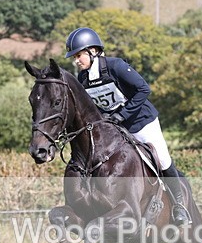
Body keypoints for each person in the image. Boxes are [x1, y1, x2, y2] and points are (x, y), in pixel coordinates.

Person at [64, 27, 191, 226]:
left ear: (93, 51)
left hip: (141, 121)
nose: (76, 60)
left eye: (79, 55)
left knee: (163, 160)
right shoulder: (83, 78)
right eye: (74, 57)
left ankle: (179, 205)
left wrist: (122, 115)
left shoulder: (116, 66)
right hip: (114, 127)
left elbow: (143, 89)